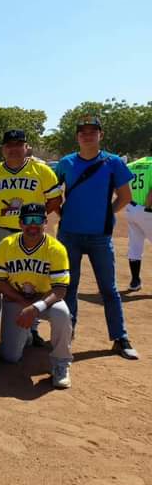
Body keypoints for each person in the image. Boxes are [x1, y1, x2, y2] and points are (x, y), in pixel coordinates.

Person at [55, 115, 138, 359]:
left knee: (109, 289)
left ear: (101, 135)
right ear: (77, 136)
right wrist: (63, 213)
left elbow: (124, 196)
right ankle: (66, 333)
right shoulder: (66, 163)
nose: (87, 135)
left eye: (93, 131)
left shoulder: (112, 163)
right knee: (68, 287)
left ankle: (119, 337)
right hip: (69, 234)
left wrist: (107, 213)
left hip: (100, 236)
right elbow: (51, 194)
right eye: (83, 131)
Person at [0, 129, 62, 346]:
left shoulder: (41, 171)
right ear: (3, 149)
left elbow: (54, 201)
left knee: (35, 280)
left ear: (27, 147)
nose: (14, 148)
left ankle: (32, 328)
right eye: (9, 145)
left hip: (32, 233)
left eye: (18, 144)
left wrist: (35, 221)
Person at [0, 204, 74, 388]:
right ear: (20, 223)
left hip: (46, 299)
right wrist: (23, 302)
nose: (33, 225)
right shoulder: (8, 244)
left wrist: (36, 307)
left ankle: (61, 364)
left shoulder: (56, 249)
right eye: (28, 220)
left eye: (38, 220)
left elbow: (60, 289)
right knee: (10, 357)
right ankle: (26, 335)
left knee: (62, 313)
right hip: (17, 298)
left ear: (45, 223)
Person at [125, 144, 152, 292]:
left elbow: (119, 186)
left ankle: (135, 281)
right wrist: (148, 207)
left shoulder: (132, 165)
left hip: (131, 208)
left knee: (135, 246)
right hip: (148, 211)